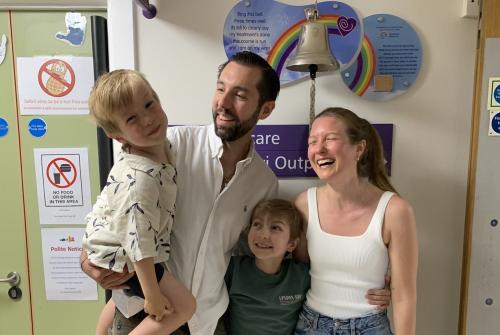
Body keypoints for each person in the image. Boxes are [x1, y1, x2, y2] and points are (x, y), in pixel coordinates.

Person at [81, 53, 391, 335]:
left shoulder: (264, 183)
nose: (224, 103)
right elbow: (113, 209)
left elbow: (268, 255)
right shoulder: (166, 147)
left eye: (240, 95)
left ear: (266, 109)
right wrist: (87, 260)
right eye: (220, 89)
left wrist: (367, 281)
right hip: (143, 314)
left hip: (208, 321)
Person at [82, 69, 196, 335]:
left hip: (113, 248)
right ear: (118, 135)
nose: (147, 119)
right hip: (124, 254)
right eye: (132, 118)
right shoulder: (140, 177)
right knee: (184, 306)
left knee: (121, 294)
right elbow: (138, 241)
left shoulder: (162, 151)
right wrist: (152, 294)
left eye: (149, 104)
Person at [293, 107, 418, 335]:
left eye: (330, 139)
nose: (319, 149)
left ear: (359, 148)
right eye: (312, 141)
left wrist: (392, 287)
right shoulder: (303, 205)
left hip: (370, 327)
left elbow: (404, 296)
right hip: (311, 326)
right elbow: (297, 273)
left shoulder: (395, 210)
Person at [224, 199, 310, 335]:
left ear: (292, 244)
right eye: (257, 224)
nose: (263, 234)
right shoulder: (233, 269)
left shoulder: (302, 276)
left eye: (275, 227)